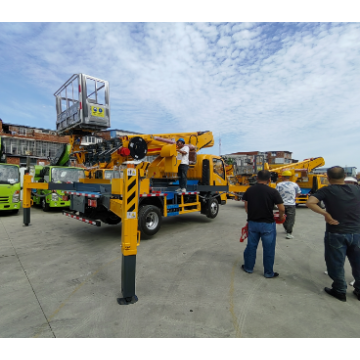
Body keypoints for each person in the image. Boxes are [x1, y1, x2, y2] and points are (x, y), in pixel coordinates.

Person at [306, 166, 360, 302]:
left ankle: (340, 290)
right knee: (358, 262)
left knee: (335, 263)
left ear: (328, 178)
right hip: (357, 232)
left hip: (336, 233)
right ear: (344, 176)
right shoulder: (356, 189)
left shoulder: (327, 190)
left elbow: (310, 202)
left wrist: (326, 214)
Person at [242, 170, 285, 278]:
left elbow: (246, 207)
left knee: (251, 246)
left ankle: (248, 268)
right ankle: (268, 273)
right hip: (268, 224)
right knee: (269, 249)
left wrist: (252, 216)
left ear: (257, 178)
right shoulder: (273, 191)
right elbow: (281, 208)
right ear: (269, 179)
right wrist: (280, 217)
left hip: (253, 223)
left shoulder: (249, 190)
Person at [276, 170, 301, 239]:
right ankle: (289, 232)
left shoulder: (279, 184)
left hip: (281, 204)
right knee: (290, 218)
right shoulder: (295, 184)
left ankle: (286, 228)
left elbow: (276, 194)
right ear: (290, 177)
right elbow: (299, 193)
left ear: (283, 177)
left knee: (283, 217)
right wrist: (293, 197)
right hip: (291, 204)